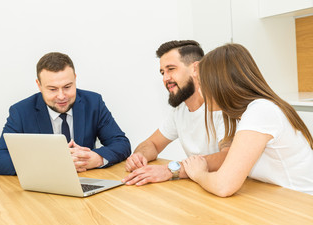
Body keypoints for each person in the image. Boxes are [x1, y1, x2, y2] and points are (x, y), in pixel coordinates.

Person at [182, 43, 313, 197]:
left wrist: (199, 174)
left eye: (202, 84)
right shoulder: (245, 113)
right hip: (284, 199)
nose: (199, 90)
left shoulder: (260, 111)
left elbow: (223, 186)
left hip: (304, 207)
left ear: (220, 85)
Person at [0, 52, 131, 175]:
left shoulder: (93, 103)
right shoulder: (21, 111)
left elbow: (121, 143)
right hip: (43, 189)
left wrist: (97, 158)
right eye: (52, 89)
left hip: (86, 182)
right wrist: (51, 163)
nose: (62, 96)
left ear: (75, 79)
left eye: (67, 87)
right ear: (39, 85)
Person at [122, 40, 229, 186]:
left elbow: (228, 157)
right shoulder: (179, 111)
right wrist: (139, 156)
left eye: (171, 69)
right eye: (162, 72)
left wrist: (171, 170)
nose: (165, 78)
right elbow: (152, 143)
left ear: (195, 69)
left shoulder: (221, 106)